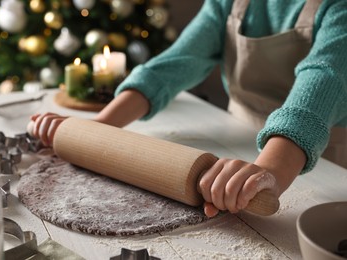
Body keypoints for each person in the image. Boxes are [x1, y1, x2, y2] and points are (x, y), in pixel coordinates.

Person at [30, 0, 347, 218]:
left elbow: (322, 82)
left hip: (316, 158)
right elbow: (177, 62)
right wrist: (97, 128)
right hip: (236, 137)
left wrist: (269, 174)